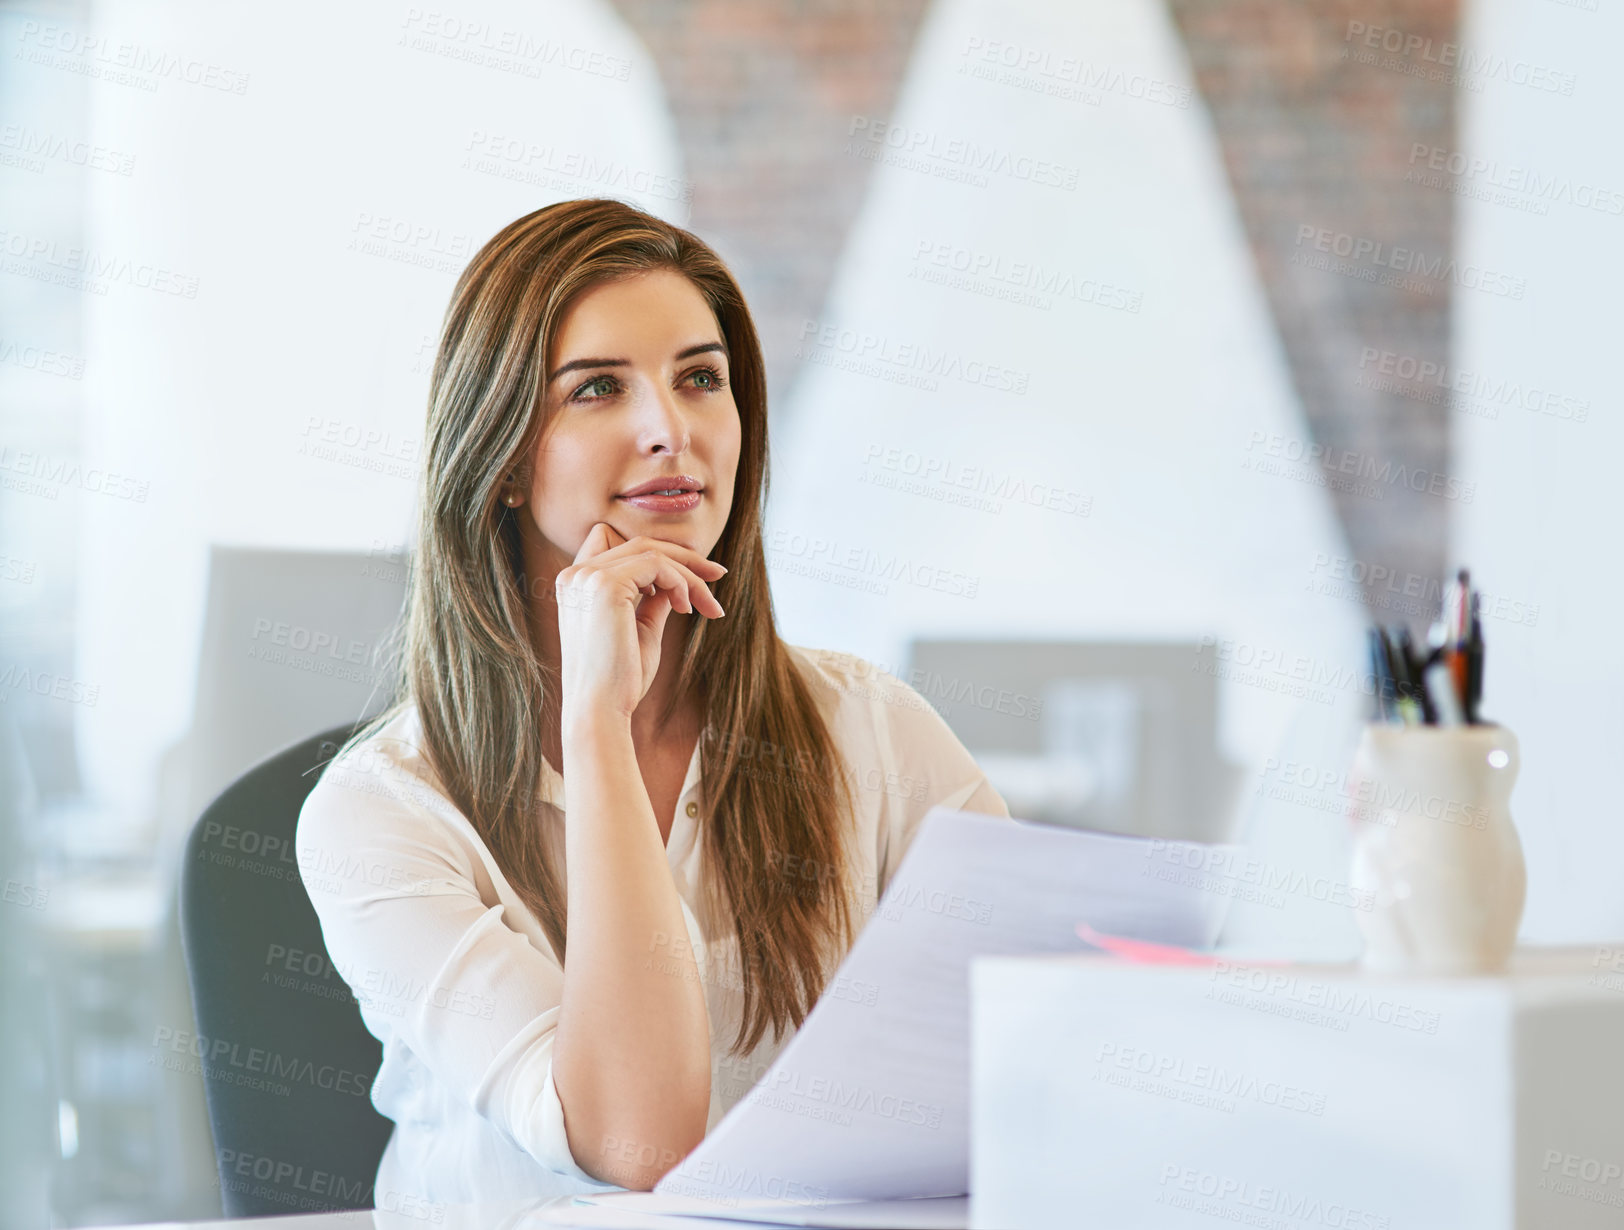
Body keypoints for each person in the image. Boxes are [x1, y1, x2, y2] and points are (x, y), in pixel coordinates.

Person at [295, 197, 1011, 1205]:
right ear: (499, 456)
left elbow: (1045, 1052)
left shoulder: (871, 730)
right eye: (596, 389)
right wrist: (596, 729)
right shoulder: (377, 816)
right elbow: (637, 1149)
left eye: (699, 379)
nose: (667, 430)